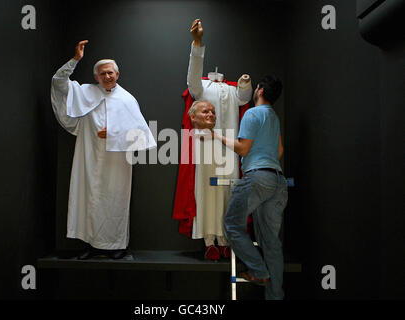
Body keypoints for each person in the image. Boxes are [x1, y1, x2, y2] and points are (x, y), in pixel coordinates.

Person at [51, 40, 156, 260]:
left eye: (110, 72)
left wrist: (115, 132)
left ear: (117, 74)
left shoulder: (128, 100)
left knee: (114, 200)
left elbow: (141, 136)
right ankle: (91, 246)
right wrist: (75, 60)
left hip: (116, 163)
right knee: (89, 199)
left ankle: (116, 246)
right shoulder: (84, 92)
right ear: (96, 77)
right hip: (88, 157)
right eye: (102, 74)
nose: (107, 76)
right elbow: (58, 82)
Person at [172, 19, 253, 261]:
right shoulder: (201, 87)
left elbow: (244, 96)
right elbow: (192, 77)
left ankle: (227, 240)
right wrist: (197, 43)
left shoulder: (231, 89)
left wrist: (245, 82)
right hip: (204, 149)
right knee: (205, 194)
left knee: (229, 195)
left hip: (229, 149)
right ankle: (210, 242)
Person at [212, 75, 287, 300]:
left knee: (232, 225)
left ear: (260, 90)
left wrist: (216, 135)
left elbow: (243, 149)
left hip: (257, 178)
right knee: (271, 242)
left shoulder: (253, 113)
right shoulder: (273, 117)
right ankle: (275, 297)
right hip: (277, 181)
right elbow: (280, 151)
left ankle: (258, 270)